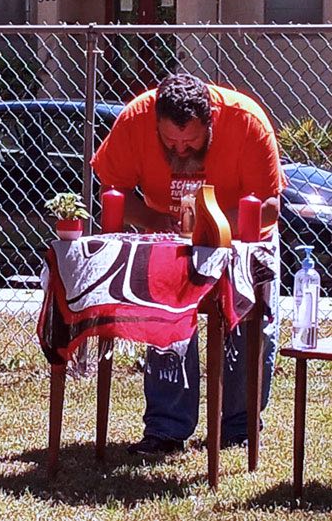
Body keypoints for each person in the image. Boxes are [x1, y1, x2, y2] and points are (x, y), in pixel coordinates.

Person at [91, 73, 286, 455]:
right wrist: (155, 222)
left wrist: (211, 224)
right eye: (169, 141)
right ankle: (167, 428)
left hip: (243, 240)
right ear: (156, 122)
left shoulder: (246, 120)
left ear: (211, 121)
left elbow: (270, 205)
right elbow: (113, 190)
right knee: (166, 323)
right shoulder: (135, 118)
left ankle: (239, 427)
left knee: (252, 326)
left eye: (191, 140)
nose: (180, 149)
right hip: (170, 238)